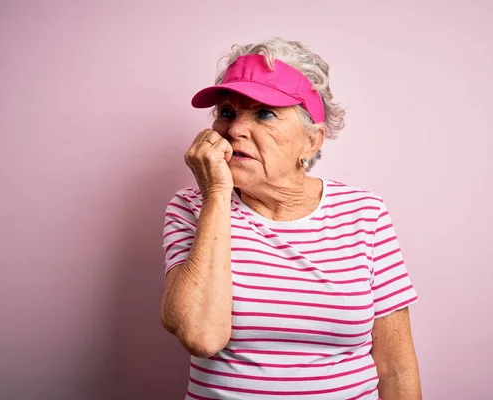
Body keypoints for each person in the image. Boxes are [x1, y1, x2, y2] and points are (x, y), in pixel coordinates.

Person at [161, 37, 422, 399]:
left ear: (311, 141)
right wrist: (217, 195)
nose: (235, 129)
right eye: (227, 112)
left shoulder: (365, 214)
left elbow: (396, 368)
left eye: (265, 113)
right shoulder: (192, 207)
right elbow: (201, 336)